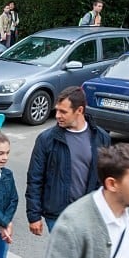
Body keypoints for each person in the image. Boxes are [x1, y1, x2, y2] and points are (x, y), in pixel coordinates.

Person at [25, 85, 110, 235]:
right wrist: (34, 216)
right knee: (65, 257)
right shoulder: (46, 139)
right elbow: (35, 178)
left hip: (88, 215)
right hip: (58, 215)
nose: (57, 115)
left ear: (79, 111)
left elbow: (105, 179)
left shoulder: (101, 138)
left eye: (63, 112)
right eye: (57, 110)